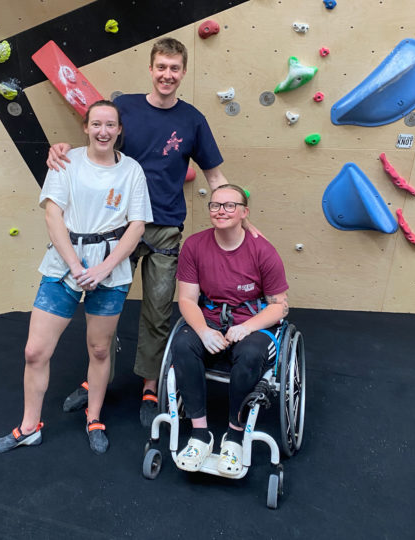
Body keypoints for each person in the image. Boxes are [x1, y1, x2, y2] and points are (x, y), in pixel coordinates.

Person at [48, 38, 260, 427]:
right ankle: (98, 379)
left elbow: (214, 175)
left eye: (174, 68)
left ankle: (149, 384)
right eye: (161, 67)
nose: (167, 75)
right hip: (118, 227)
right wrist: (60, 148)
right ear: (151, 69)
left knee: (158, 312)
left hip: (164, 229)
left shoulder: (193, 119)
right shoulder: (124, 108)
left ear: (183, 72)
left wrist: (237, 213)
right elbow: (95, 143)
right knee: (103, 309)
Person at [0, 100, 152, 455]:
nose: (103, 131)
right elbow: (53, 215)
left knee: (99, 348)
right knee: (35, 351)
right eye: (97, 124)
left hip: (110, 270)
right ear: (85, 126)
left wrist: (103, 268)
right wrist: (77, 267)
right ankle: (29, 426)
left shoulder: (132, 171)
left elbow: (137, 225)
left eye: (110, 125)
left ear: (119, 129)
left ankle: (94, 417)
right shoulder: (65, 162)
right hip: (63, 266)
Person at [171, 184, 288, 475]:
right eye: (215, 205)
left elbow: (280, 307)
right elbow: (186, 299)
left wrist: (247, 327)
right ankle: (200, 434)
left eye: (229, 205)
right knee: (182, 344)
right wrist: (203, 331)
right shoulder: (195, 246)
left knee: (250, 355)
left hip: (250, 321)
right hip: (210, 318)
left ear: (244, 212)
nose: (221, 211)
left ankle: (234, 436)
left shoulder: (263, 250)